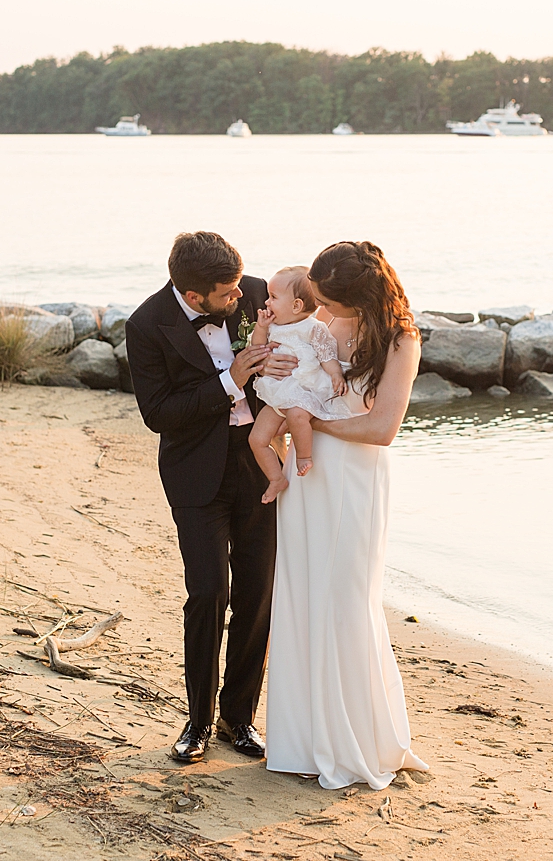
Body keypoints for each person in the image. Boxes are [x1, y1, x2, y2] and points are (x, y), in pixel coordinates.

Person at [124, 231, 296, 764]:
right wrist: (231, 377)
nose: (241, 298)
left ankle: (236, 718)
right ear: (195, 297)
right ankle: (196, 723)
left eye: (240, 288)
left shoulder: (254, 291)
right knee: (207, 595)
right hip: (195, 472)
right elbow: (159, 414)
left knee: (257, 593)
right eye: (227, 294)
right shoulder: (147, 324)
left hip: (259, 464)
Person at [264, 240, 430, 790]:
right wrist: (273, 367)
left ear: (359, 297)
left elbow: (382, 429)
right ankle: (303, 742)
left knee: (346, 601)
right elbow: (286, 373)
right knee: (302, 596)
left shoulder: (401, 341)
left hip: (355, 479)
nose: (322, 309)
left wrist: (313, 422)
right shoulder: (323, 327)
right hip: (307, 482)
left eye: (331, 301)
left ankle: (357, 739)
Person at [247, 266, 362, 503]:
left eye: (273, 298)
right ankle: (276, 478)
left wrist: (336, 375)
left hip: (302, 390)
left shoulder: (313, 328)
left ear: (296, 306)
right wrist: (260, 327)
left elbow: (326, 355)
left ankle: (303, 457)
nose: (267, 303)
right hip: (278, 394)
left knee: (298, 417)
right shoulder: (271, 326)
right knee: (256, 439)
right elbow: (257, 348)